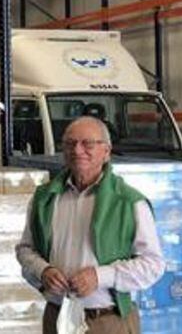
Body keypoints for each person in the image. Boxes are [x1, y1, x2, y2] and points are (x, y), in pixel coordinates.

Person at [16, 116, 165, 334]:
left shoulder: (129, 202)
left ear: (106, 152)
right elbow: (25, 249)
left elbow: (153, 264)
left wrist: (101, 276)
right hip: (58, 317)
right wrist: (43, 270)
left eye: (88, 143)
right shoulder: (45, 198)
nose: (77, 150)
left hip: (108, 320)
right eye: (70, 144)